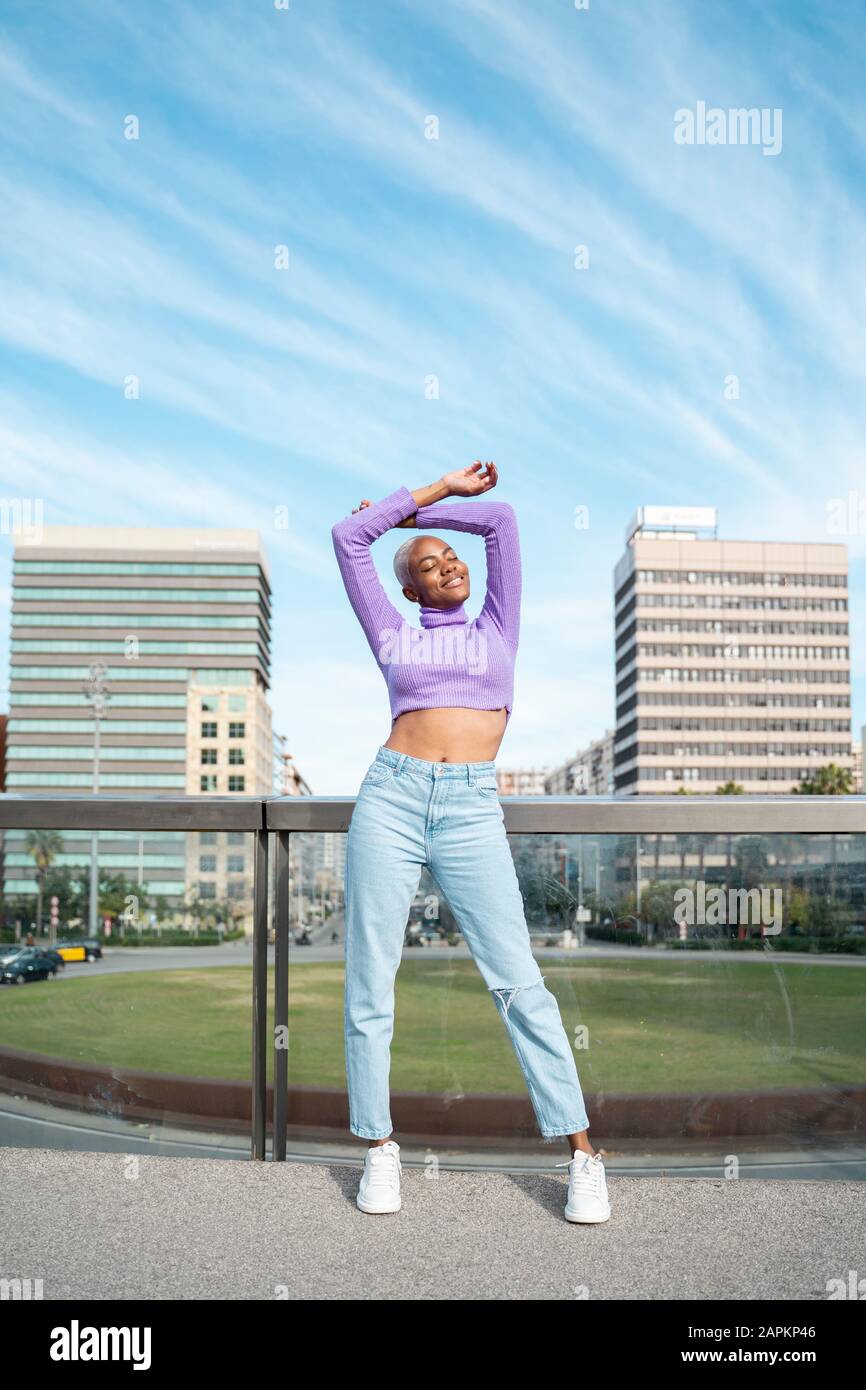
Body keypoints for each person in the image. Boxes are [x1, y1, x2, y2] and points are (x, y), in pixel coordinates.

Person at [331, 461, 610, 1224]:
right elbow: (346, 537)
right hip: (390, 796)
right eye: (429, 568)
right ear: (410, 592)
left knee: (520, 983)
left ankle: (584, 1155)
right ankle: (379, 1150)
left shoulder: (497, 624)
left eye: (449, 558)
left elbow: (502, 524)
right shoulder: (390, 628)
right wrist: (399, 518)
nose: (449, 564)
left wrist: (433, 511)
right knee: (370, 985)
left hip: (472, 808)